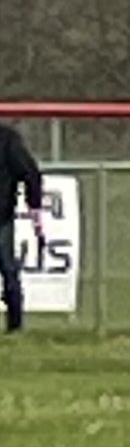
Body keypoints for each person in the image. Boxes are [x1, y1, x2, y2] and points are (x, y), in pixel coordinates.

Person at [0, 122, 44, 333]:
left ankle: (15, 325)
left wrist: (34, 205)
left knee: (8, 270)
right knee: (8, 269)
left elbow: (29, 173)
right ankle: (15, 325)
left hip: (1, 217)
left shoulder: (6, 139)